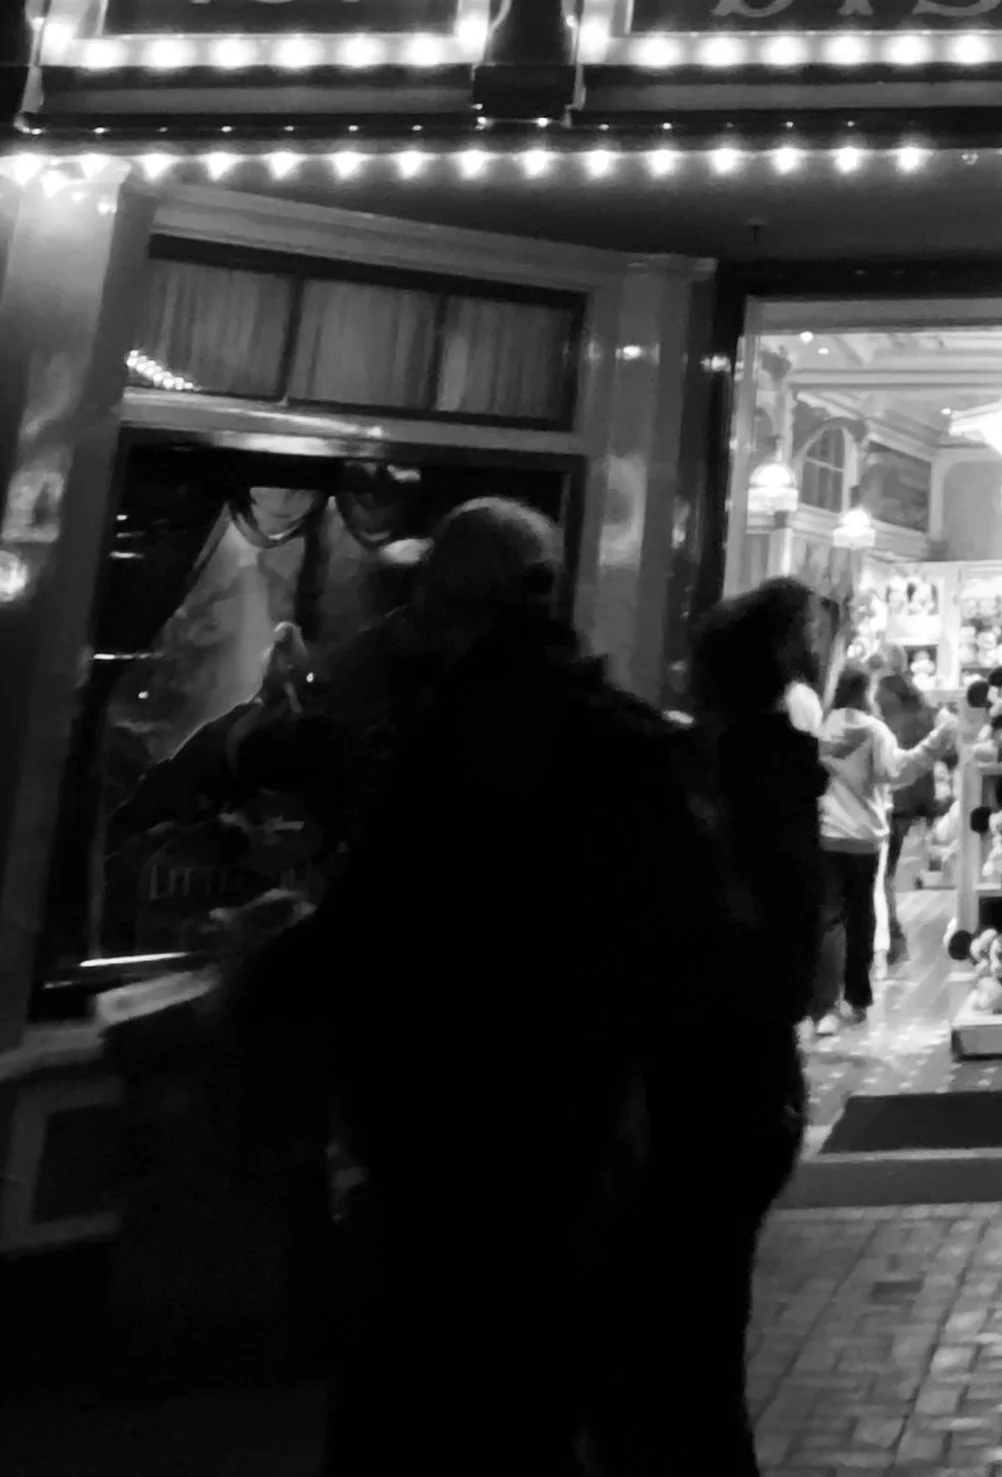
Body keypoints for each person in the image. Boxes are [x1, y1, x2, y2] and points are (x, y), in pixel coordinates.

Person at [240, 499, 789, 1477]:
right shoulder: (629, 745)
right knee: (613, 1404)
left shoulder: (457, 743)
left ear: (450, 608)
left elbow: (378, 920)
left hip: (477, 1148)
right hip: (604, 1143)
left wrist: (261, 987)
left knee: (457, 1403)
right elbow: (717, 960)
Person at [689, 580, 830, 1045]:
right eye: (806, 635)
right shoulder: (772, 765)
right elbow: (789, 883)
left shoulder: (702, 753)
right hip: (750, 990)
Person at [814, 664, 952, 1023]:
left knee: (830, 917)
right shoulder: (874, 731)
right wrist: (937, 742)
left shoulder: (823, 728)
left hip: (827, 833)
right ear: (865, 692)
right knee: (861, 917)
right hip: (863, 838)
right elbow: (896, 771)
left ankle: (823, 1005)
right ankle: (855, 999)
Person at [872, 662, 940, 964]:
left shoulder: (883, 712)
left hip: (891, 799)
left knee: (881, 874)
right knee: (886, 872)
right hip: (916, 799)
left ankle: (891, 940)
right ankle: (891, 938)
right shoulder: (922, 709)